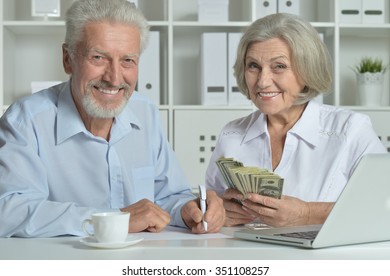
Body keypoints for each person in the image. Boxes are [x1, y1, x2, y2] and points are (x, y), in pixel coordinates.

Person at [0, 0, 224, 238]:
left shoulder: (145, 111)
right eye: (98, 57)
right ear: (68, 59)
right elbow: (9, 211)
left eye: (128, 60)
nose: (115, 78)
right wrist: (115, 220)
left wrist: (187, 210)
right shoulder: (25, 120)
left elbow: (167, 196)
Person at [205, 13, 386, 228]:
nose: (262, 81)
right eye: (253, 65)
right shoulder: (232, 134)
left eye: (279, 66)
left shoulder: (349, 130)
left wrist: (308, 214)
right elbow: (211, 201)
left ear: (307, 69)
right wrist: (219, 212)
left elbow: (384, 205)